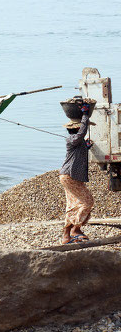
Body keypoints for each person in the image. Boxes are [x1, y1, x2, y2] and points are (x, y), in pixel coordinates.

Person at [59, 104, 94, 244]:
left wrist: (86, 147)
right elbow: (82, 133)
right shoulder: (72, 140)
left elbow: (80, 144)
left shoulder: (77, 143)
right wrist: (85, 115)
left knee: (73, 204)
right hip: (69, 176)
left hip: (71, 176)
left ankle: (66, 236)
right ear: (76, 130)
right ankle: (75, 229)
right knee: (87, 201)